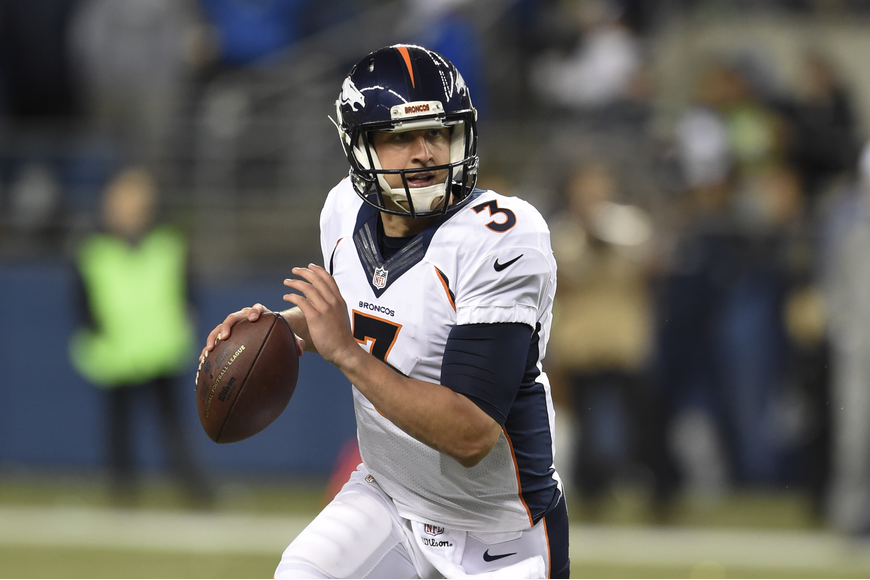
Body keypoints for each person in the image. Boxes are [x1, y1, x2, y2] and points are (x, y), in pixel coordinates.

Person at [201, 44, 568, 578]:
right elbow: (367, 320)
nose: (424, 152)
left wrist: (346, 355)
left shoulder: (499, 237)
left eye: (438, 133)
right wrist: (282, 329)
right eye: (400, 138)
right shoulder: (343, 211)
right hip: (389, 497)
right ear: (360, 147)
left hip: (500, 530)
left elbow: (470, 434)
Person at [70, 166, 212, 507]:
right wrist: (97, 332)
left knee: (172, 428)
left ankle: (195, 493)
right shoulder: (93, 250)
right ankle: (122, 495)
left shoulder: (168, 244)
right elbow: (82, 302)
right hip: (115, 354)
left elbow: (188, 293)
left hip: (161, 351)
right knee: (118, 430)